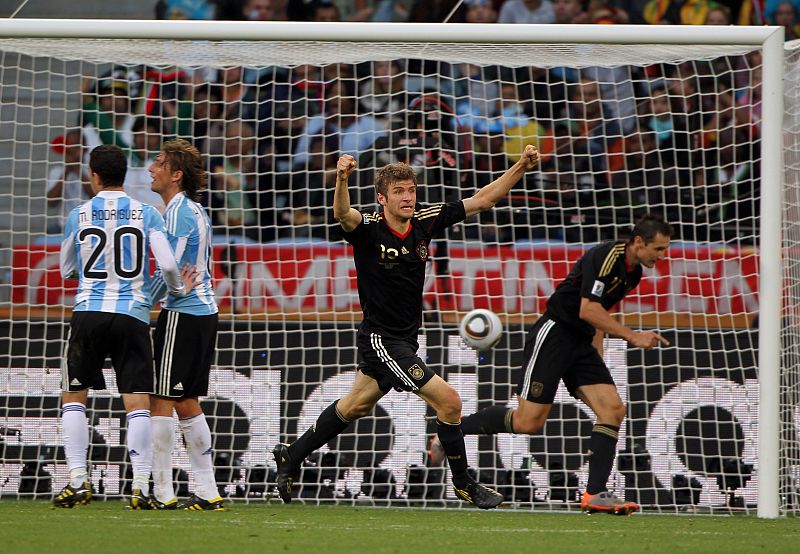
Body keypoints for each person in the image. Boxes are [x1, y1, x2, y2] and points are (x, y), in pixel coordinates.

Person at [272, 144, 542, 509]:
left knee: (354, 406)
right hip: (381, 340)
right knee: (449, 402)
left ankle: (292, 454)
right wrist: (341, 178)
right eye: (399, 191)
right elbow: (342, 214)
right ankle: (463, 483)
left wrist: (521, 166)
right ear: (381, 198)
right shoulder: (368, 227)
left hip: (405, 337)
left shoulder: (425, 220)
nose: (408, 197)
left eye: (411, 190)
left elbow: (482, 201)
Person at [430, 214, 672, 515]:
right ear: (638, 242)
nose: (663, 256)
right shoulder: (607, 257)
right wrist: (632, 336)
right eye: (659, 249)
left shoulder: (633, 273)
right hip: (554, 335)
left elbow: (597, 314)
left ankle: (594, 494)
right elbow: (588, 308)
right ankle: (453, 432)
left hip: (581, 344)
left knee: (612, 410)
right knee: (527, 422)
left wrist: (596, 355)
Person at [53, 144, 190, 509]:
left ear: (94, 175)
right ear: (125, 175)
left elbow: (66, 269)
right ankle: (140, 487)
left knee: (74, 397)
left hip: (88, 313)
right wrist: (174, 290)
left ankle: (79, 481)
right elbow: (169, 265)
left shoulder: (78, 214)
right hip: (132, 313)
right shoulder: (147, 213)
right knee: (137, 402)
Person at [147, 139, 224, 511]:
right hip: (204, 313)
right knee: (187, 401)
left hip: (183, 312)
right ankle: (208, 491)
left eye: (159, 163)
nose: (151, 168)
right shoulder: (195, 209)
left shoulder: (177, 211)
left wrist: (143, 300)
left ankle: (161, 491)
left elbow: (171, 266)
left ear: (176, 175)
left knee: (160, 398)